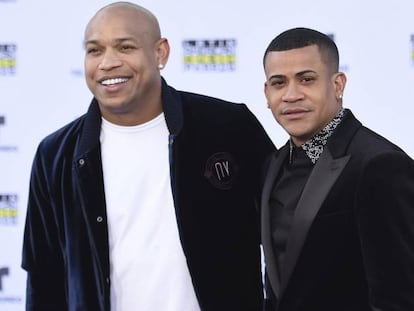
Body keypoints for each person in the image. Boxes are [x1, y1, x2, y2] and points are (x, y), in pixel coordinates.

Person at [21, 2, 275, 310]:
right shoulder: (55, 155)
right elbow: (43, 276)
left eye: (125, 47)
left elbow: (283, 236)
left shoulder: (228, 126)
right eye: (95, 50)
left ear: (160, 53)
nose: (108, 63)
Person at [260, 27, 414, 311]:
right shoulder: (274, 163)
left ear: (338, 85)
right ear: (267, 93)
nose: (291, 95)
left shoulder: (379, 165)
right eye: (279, 83)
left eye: (306, 80)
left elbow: (399, 296)